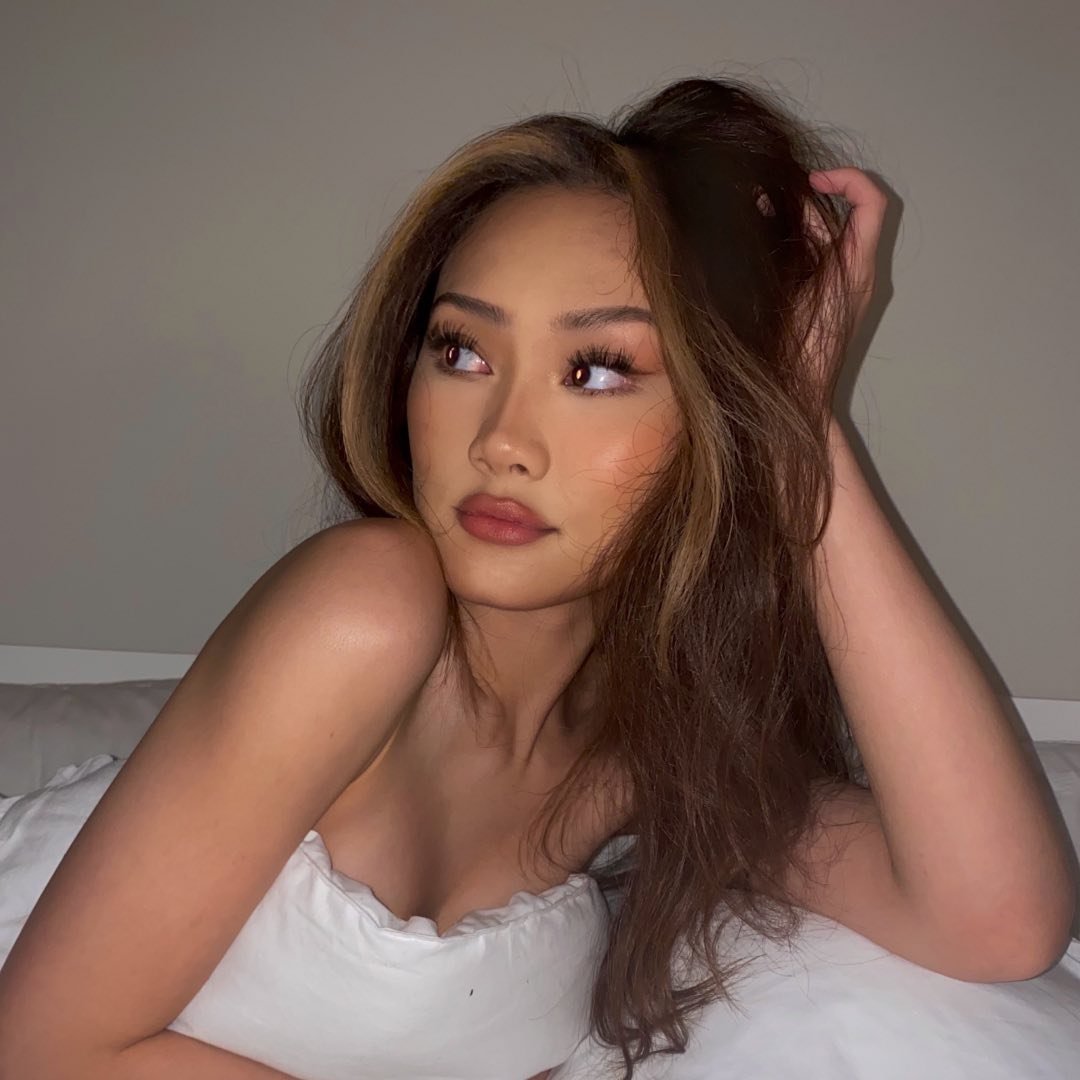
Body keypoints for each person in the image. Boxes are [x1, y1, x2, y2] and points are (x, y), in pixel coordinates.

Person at [0, 75, 1074, 1080]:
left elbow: (995, 922)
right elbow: (41, 1051)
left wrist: (798, 429)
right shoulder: (361, 607)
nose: (501, 440)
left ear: (720, 423)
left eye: (596, 369)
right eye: (462, 352)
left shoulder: (648, 748)